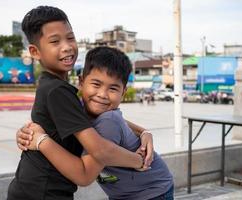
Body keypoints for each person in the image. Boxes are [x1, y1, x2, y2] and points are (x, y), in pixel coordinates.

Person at [8, 6, 153, 200]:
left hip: (37, 188)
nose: (67, 46)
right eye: (55, 41)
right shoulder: (57, 90)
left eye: (70, 38)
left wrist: (143, 132)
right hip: (41, 192)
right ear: (35, 51)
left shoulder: (55, 85)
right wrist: (139, 161)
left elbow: (88, 116)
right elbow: (100, 150)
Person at [18, 46, 174, 200]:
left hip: (151, 193)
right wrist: (144, 132)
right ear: (81, 81)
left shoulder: (108, 122)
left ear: (123, 93)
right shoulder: (82, 109)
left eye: (113, 88)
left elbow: (84, 176)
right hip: (132, 192)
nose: (102, 95)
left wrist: (41, 141)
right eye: (96, 84)